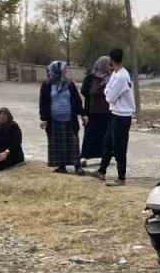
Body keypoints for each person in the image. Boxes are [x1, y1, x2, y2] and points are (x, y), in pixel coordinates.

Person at [92, 47, 135, 187]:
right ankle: (101, 171)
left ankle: (121, 177)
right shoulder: (116, 73)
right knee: (107, 143)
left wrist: (108, 92)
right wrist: (108, 92)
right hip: (115, 114)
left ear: (111, 60)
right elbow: (108, 90)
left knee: (119, 147)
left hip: (122, 116)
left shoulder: (122, 76)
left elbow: (110, 97)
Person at [39, 60, 85, 175]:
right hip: (54, 120)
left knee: (73, 142)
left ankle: (77, 166)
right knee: (58, 144)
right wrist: (43, 118)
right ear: (56, 70)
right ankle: (62, 166)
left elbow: (77, 99)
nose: (66, 71)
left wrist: (83, 114)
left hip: (70, 119)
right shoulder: (47, 84)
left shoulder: (69, 83)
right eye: (64, 69)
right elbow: (43, 103)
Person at [79, 56, 112, 170]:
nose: (110, 66)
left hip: (107, 113)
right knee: (89, 134)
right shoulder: (90, 78)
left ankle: (105, 156)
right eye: (108, 64)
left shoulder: (112, 78)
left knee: (106, 135)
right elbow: (83, 91)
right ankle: (84, 157)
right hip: (91, 112)